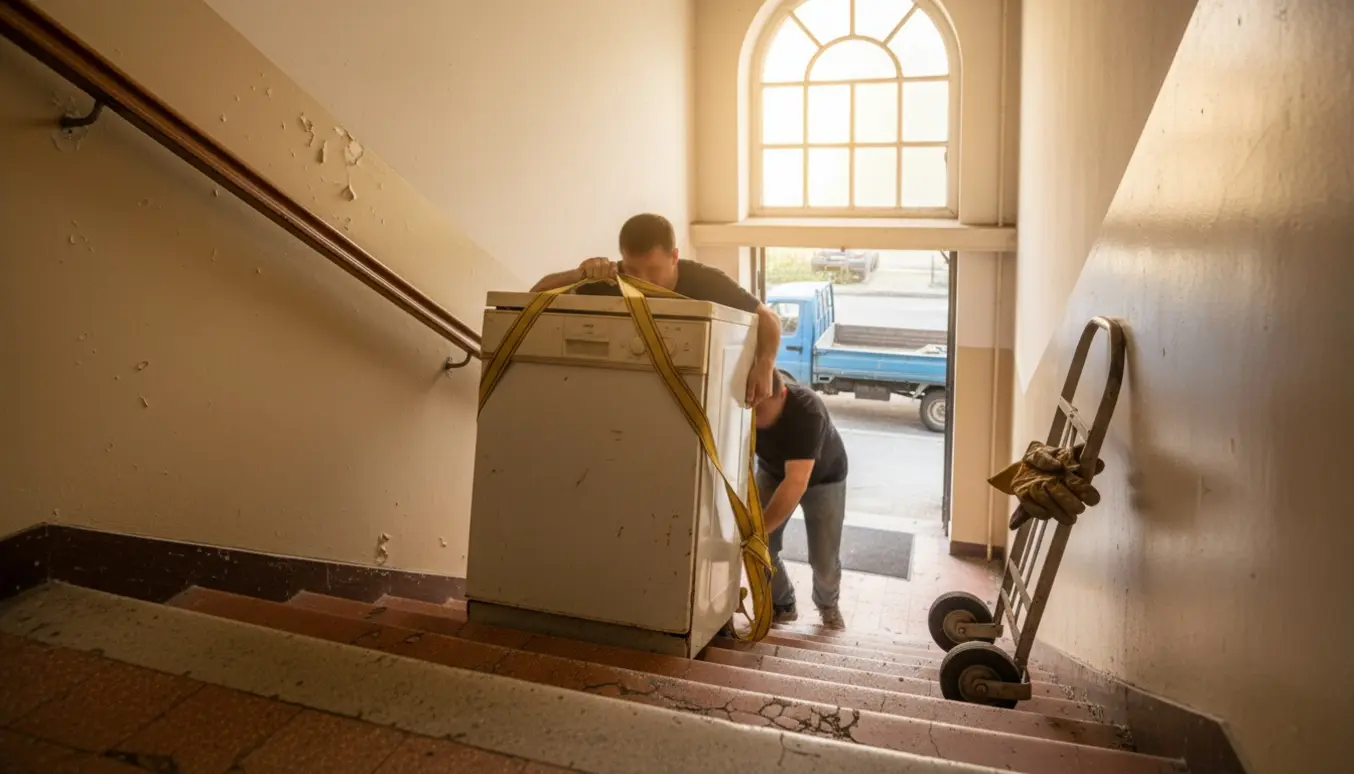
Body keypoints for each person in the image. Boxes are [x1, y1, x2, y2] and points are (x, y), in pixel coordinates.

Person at [531, 213, 782, 407]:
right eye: (633, 270)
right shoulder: (612, 278)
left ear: (674, 257)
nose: (643, 280)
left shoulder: (707, 281)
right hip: (620, 395)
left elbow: (768, 318)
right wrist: (580, 274)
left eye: (653, 270)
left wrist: (765, 363)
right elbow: (533, 298)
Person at [754, 369, 848, 629]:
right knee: (762, 547)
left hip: (824, 479)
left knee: (824, 559)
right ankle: (783, 604)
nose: (753, 417)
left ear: (781, 395)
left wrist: (757, 530)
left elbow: (795, 482)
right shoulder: (749, 400)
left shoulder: (808, 410)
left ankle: (828, 607)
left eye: (760, 410)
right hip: (772, 471)